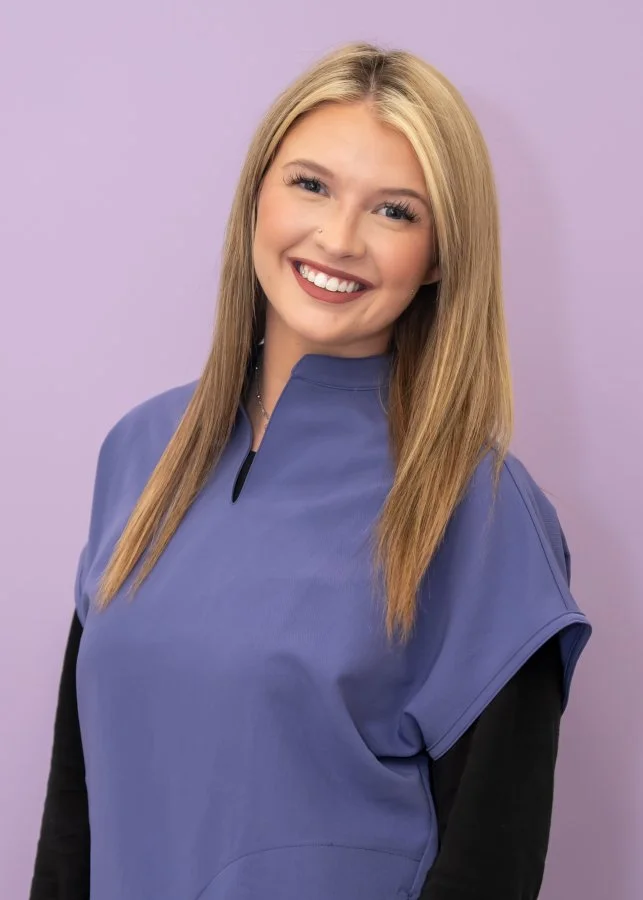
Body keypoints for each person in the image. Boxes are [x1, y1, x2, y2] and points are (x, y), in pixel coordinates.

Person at [30, 41, 592, 900]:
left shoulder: (477, 508)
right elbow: (75, 820)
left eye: (395, 212)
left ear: (440, 256)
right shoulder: (140, 453)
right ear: (257, 193)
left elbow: (492, 862)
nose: (338, 238)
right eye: (311, 184)